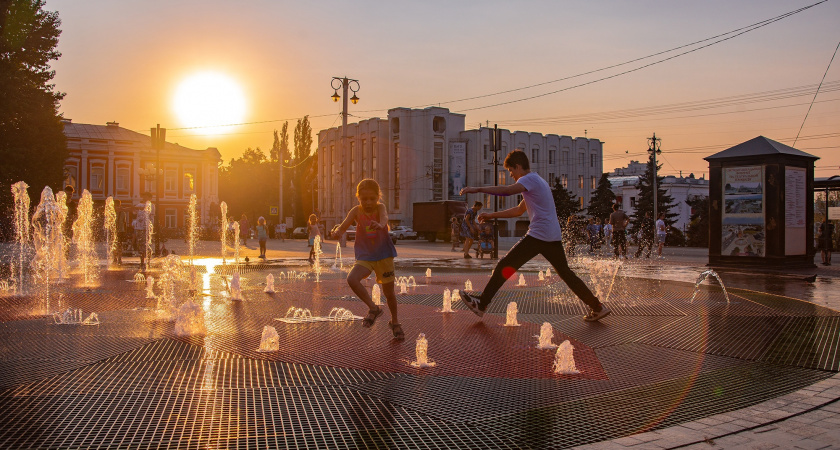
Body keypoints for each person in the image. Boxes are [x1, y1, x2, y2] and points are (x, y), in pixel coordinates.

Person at [458, 150, 611, 322]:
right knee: (567, 274)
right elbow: (518, 210)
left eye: (511, 172)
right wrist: (491, 215)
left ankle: (482, 304)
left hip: (539, 235)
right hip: (552, 236)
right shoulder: (538, 181)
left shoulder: (528, 179)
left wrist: (477, 189)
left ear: (518, 166)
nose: (512, 177)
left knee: (505, 265)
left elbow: (507, 191)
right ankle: (597, 306)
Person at [330, 179, 403, 340]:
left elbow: (384, 218)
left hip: (384, 255)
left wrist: (381, 224)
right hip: (366, 256)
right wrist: (337, 232)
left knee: (389, 294)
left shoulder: (380, 207)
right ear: (358, 198)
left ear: (378, 197)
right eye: (364, 199)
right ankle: (373, 308)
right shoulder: (356, 211)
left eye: (372, 198)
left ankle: (395, 322)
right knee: (352, 279)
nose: (368, 202)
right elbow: (342, 226)